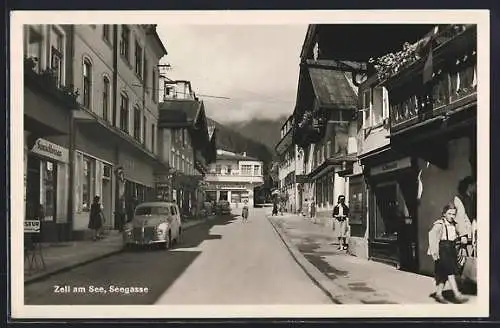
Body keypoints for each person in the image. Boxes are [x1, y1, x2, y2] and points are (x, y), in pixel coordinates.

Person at [427, 202, 469, 304]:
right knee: (450, 273)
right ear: (444, 213)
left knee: (443, 275)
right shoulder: (439, 224)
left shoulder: (454, 224)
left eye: (453, 214)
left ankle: (438, 294)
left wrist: (463, 236)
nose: (451, 216)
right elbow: (432, 237)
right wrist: (434, 253)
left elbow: (461, 231)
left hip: (451, 249)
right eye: (449, 214)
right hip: (443, 250)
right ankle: (457, 294)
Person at [453, 176, 476, 255]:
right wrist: (463, 235)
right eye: (474, 185)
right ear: (469, 186)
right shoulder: (459, 198)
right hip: (464, 232)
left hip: (471, 230)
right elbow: (460, 217)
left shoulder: (473, 198)